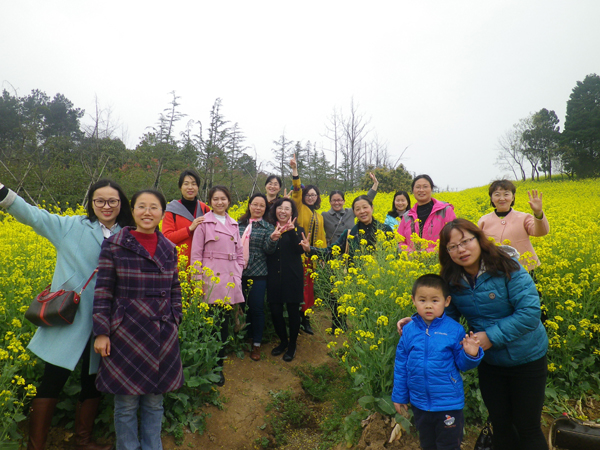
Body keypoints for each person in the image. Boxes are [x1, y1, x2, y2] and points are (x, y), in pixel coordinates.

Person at [0, 179, 132, 450]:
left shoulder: (129, 234)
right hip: (69, 317)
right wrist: (3, 193)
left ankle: (84, 441)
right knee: (52, 380)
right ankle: (36, 445)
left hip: (107, 322)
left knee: (93, 381)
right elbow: (32, 215)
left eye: (112, 201)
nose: (106, 206)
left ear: (121, 204)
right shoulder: (71, 226)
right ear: (91, 202)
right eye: (100, 200)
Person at [395, 218, 548, 450]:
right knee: (501, 425)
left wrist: (490, 337)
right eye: (453, 246)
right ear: (446, 252)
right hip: (490, 362)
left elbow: (530, 313)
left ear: (479, 239)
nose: (461, 250)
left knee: (528, 427)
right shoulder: (452, 280)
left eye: (466, 241)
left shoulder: (508, 267)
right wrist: (417, 323)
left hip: (527, 357)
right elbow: (445, 319)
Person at [93, 189, 183, 450]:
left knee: (155, 402)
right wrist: (102, 331)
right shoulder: (115, 245)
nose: (147, 212)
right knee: (125, 403)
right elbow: (103, 290)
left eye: (154, 207)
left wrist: (175, 317)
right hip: (125, 332)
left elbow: (175, 288)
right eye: (141, 206)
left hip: (161, 332)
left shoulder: (169, 248)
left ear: (162, 213)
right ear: (132, 211)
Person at [392, 274, 483, 450]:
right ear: (413, 300)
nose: (428, 306)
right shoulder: (408, 331)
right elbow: (401, 366)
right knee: (427, 445)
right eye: (422, 300)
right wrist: (399, 396)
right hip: (420, 403)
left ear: (446, 301)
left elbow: (462, 365)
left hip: (448, 403)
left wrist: (470, 354)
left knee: (448, 446)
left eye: (435, 300)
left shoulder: (454, 330)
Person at [304, 195, 392, 330]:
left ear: (372, 208)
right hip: (356, 283)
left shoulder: (385, 231)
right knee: (361, 319)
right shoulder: (350, 234)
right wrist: (310, 249)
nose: (362, 211)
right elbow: (330, 252)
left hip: (379, 283)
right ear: (354, 212)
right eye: (358, 209)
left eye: (365, 207)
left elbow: (392, 257)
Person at [190, 185, 244, 386]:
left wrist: (237, 273)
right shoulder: (204, 223)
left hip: (229, 279)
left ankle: (218, 366)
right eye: (215, 199)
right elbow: (196, 255)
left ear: (229, 201)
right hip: (211, 280)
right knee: (209, 324)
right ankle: (206, 364)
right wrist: (197, 281)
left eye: (223, 199)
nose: (219, 202)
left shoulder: (233, 224)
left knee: (223, 325)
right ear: (210, 202)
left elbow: (239, 254)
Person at [266, 198, 307, 362]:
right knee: (275, 311)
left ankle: (292, 345)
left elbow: (300, 250)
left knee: (293, 311)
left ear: (292, 212)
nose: (282, 211)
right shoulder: (269, 228)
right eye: (280, 208)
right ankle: (283, 341)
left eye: (287, 209)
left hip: (293, 276)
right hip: (274, 276)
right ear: (275, 210)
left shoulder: (298, 230)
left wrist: (291, 231)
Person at [238, 193, 277, 361]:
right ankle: (244, 338)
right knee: (242, 308)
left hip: (258, 273)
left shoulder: (268, 227)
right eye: (255, 204)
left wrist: (273, 239)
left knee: (256, 308)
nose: (258, 208)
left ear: (265, 208)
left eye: (262, 205)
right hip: (239, 273)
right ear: (249, 205)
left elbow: (269, 250)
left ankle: (256, 343)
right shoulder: (238, 224)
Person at [477, 180, 549, 271]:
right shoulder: (483, 221)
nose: (502, 198)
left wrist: (538, 213)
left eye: (506, 194)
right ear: (491, 198)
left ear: (513, 197)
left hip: (524, 269)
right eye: (497, 195)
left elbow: (541, 232)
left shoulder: (523, 217)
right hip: (495, 270)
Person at [290, 153, 326, 335]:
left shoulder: (319, 216)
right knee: (297, 287)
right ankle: (296, 317)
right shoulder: (299, 206)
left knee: (308, 288)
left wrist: (321, 255)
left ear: (317, 197)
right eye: (308, 194)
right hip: (296, 255)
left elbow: (321, 237)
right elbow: (296, 190)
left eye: (314, 195)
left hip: (310, 256)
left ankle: (306, 318)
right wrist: (295, 170)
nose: (310, 197)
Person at [162, 169, 210, 265]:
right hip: (178, 264)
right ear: (180, 187)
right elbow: (166, 238)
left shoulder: (205, 209)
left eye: (194, 184)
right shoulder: (171, 210)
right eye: (186, 184)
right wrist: (189, 229)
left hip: (201, 265)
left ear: (198, 187)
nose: (190, 187)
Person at [397, 175, 456, 252]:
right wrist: (410, 253)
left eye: (425, 187)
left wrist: (430, 252)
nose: (421, 190)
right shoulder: (407, 216)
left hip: (439, 258)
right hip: (411, 259)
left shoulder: (445, 210)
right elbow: (399, 241)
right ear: (413, 190)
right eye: (418, 187)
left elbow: (454, 238)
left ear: (431, 189)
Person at [322, 173, 379, 245]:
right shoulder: (325, 215)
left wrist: (375, 184)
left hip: (350, 248)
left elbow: (366, 200)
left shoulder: (350, 212)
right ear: (330, 202)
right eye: (334, 200)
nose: (336, 203)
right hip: (332, 249)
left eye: (339, 200)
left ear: (344, 201)